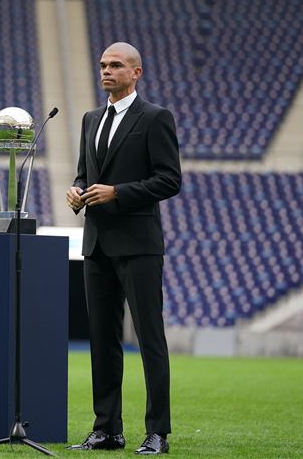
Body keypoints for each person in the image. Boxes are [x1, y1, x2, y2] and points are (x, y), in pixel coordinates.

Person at [66, 42, 181, 455]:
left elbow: (170, 180)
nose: (106, 71)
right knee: (102, 339)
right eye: (102, 65)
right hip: (95, 244)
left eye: (116, 65)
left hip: (139, 244)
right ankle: (107, 430)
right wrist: (78, 192)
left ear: (136, 73)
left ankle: (157, 433)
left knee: (150, 339)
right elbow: (85, 172)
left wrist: (119, 192)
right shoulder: (90, 119)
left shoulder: (155, 118)